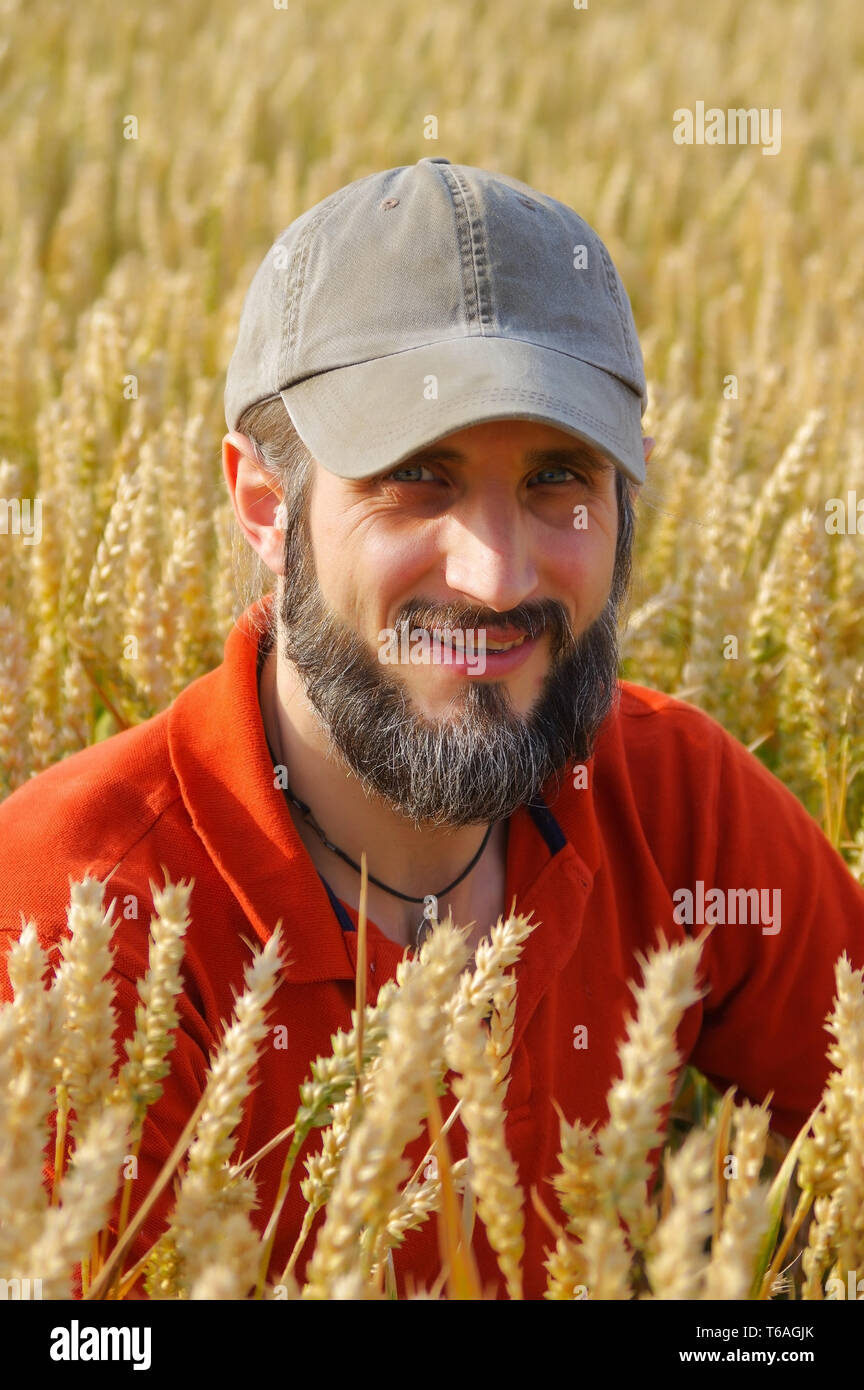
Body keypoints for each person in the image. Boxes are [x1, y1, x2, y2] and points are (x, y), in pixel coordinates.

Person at [1, 157, 863, 1300]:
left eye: (560, 478)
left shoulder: (678, 803)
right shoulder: (73, 923)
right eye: (416, 478)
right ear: (267, 505)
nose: (499, 575)